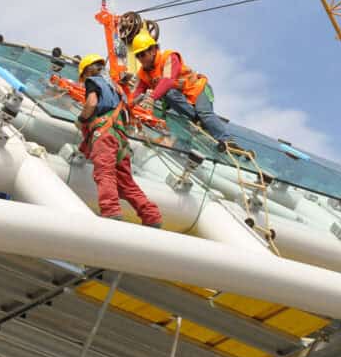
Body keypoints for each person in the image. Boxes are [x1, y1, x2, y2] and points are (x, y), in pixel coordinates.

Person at [75, 54, 163, 227]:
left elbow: (91, 103)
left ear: (86, 72)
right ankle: (151, 216)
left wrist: (82, 119)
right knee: (125, 183)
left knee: (104, 173)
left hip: (105, 135)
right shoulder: (117, 89)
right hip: (120, 139)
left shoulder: (93, 81)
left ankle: (111, 212)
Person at [129, 34, 233, 147]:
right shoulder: (143, 74)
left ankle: (227, 140)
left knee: (204, 113)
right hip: (182, 100)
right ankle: (199, 120)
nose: (140, 59)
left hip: (198, 90)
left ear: (153, 50)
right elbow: (136, 94)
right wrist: (128, 106)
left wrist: (152, 98)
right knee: (170, 96)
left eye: (142, 54)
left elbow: (168, 80)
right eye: (137, 56)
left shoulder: (169, 57)